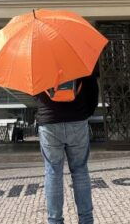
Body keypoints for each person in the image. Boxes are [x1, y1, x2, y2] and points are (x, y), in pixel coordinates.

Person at [34, 68, 99, 224]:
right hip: (77, 118)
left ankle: (55, 221)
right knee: (80, 170)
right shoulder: (78, 50)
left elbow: (34, 90)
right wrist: (84, 113)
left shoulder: (38, 55)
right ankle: (86, 220)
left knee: (53, 172)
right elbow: (92, 89)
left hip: (49, 120)